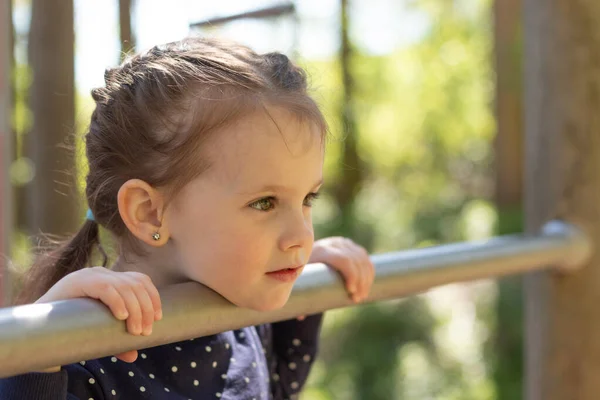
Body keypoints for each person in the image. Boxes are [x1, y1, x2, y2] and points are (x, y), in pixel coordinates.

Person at [0, 37, 374, 400]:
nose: (301, 237)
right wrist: (40, 345)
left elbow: (276, 388)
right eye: (265, 203)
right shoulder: (87, 358)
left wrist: (310, 291)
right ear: (148, 213)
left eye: (308, 198)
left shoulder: (237, 308)